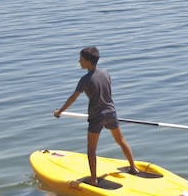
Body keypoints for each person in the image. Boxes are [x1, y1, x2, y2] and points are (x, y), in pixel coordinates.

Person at [54, 47, 137, 187]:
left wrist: (59, 111)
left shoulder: (85, 79)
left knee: (91, 149)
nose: (79, 61)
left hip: (96, 116)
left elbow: (73, 98)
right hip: (111, 112)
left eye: (81, 59)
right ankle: (133, 168)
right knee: (121, 140)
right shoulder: (105, 73)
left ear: (87, 62)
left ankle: (93, 179)